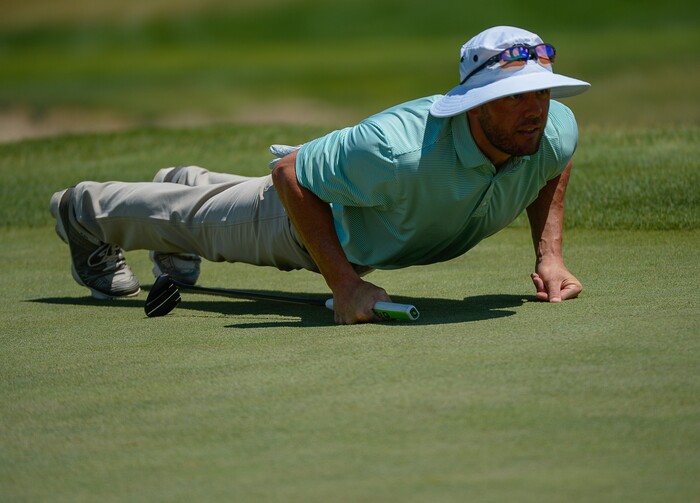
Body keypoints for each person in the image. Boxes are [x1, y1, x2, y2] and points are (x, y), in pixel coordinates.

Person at [50, 26, 590, 324]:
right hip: (307, 222)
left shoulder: (551, 129)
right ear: (474, 104)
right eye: (512, 96)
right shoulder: (396, 148)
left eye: (540, 92)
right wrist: (345, 284)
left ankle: (189, 179)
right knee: (197, 224)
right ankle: (83, 211)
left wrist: (550, 253)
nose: (534, 109)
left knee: (205, 207)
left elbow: (553, 163)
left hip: (354, 202)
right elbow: (290, 174)